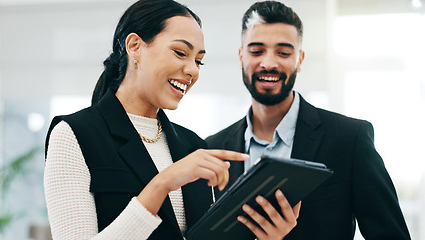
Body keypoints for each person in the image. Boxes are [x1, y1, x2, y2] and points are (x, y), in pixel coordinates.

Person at [43, 0, 299, 239]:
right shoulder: (74, 135)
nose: (193, 70)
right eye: (180, 52)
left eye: (199, 60)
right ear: (134, 46)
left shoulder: (193, 146)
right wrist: (162, 183)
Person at [206, 1, 411, 239]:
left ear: (300, 60)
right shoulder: (213, 148)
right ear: (241, 57)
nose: (269, 63)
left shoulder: (349, 139)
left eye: (283, 52)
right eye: (256, 51)